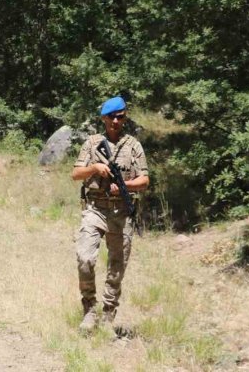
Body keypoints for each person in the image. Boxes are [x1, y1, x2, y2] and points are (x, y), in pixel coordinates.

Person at [71, 96, 149, 334]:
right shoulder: (92, 143)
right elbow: (75, 174)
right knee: (85, 258)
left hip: (121, 212)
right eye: (112, 117)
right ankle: (89, 309)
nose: (116, 121)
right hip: (95, 208)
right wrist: (95, 168)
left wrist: (126, 185)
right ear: (104, 118)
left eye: (121, 117)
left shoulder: (133, 145)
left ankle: (108, 313)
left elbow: (145, 180)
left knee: (117, 267)